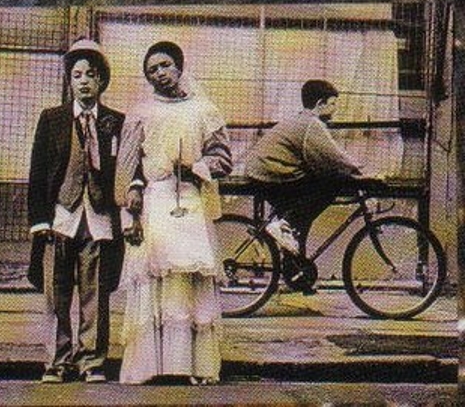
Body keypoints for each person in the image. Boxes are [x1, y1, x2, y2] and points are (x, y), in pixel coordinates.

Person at [114, 41, 233, 385]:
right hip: (156, 201)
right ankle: (151, 366)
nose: (160, 73)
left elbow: (222, 159)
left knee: (188, 278)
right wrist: (134, 192)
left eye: (165, 65)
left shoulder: (204, 110)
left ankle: (190, 365)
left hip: (192, 202)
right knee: (157, 277)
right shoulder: (141, 113)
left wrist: (195, 167)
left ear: (179, 67)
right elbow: (128, 165)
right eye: (152, 70)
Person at [27, 38, 125, 384]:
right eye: (77, 75)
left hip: (98, 219)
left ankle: (91, 362)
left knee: (94, 294)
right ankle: (57, 362)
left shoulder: (115, 121)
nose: (84, 81)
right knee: (56, 293)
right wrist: (39, 220)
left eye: (91, 75)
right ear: (69, 81)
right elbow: (38, 171)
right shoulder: (52, 119)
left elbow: (126, 169)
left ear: (102, 81)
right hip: (60, 217)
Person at [245, 79, 362, 293]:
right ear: (320, 104)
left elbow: (321, 158)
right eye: (333, 104)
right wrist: (361, 172)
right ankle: (284, 225)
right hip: (271, 173)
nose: (335, 109)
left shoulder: (302, 120)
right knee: (332, 185)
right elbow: (334, 157)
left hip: (265, 172)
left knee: (301, 221)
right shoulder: (312, 124)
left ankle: (296, 275)